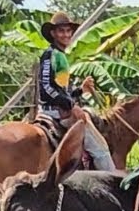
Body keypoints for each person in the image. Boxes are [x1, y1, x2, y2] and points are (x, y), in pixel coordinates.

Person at [37, 11, 113, 170]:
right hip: (56, 112)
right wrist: (71, 106)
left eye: (68, 31)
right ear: (53, 33)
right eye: (61, 31)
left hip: (57, 108)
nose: (65, 35)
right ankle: (112, 184)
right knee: (101, 150)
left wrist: (80, 90)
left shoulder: (59, 55)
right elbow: (46, 88)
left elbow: (60, 91)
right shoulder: (50, 55)